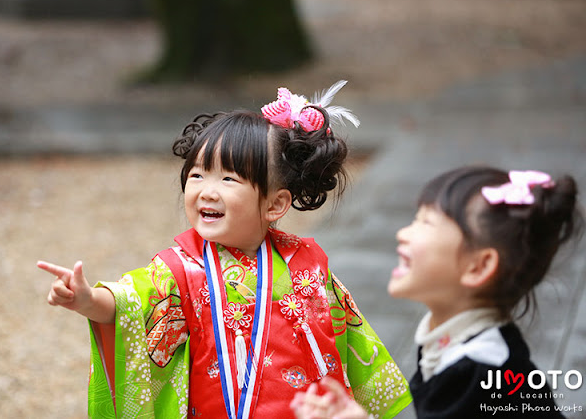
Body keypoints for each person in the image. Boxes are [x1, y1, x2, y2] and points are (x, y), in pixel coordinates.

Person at [37, 81, 412, 418]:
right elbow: (131, 301)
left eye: (229, 178)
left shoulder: (308, 266)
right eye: (197, 175)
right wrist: (87, 300)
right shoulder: (180, 268)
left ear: (275, 204)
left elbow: (349, 339)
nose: (206, 190)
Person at [290, 165, 583, 418]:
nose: (403, 233)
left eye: (425, 223)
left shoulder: (476, 373)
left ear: (478, 267)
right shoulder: (452, 342)